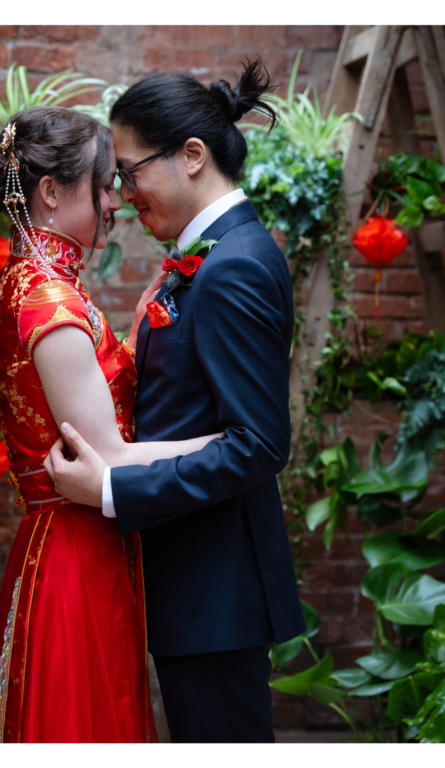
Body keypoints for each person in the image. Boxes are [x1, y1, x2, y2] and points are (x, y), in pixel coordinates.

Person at [45, 60, 306, 743]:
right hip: (196, 583)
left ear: (192, 156)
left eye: (130, 171)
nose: (122, 194)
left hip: (214, 591)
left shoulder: (234, 264)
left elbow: (256, 443)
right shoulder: (212, 257)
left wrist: (112, 487)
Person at [0, 105, 223, 743]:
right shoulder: (49, 302)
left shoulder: (34, 286)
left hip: (73, 540)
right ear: (51, 193)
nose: (116, 201)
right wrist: (229, 443)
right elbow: (105, 454)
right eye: (105, 184)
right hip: (74, 552)